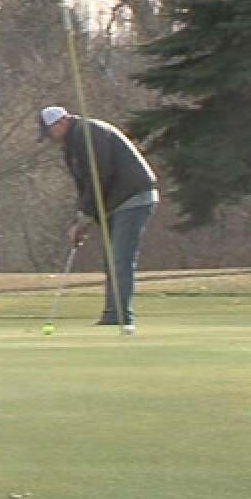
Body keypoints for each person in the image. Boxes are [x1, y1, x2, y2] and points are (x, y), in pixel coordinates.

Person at [37, 105, 159, 335]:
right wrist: (82, 219)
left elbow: (99, 176)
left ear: (61, 122)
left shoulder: (88, 133)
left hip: (132, 197)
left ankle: (120, 315)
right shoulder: (72, 144)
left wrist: (84, 219)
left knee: (120, 258)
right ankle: (113, 313)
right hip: (115, 202)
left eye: (49, 132)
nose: (50, 139)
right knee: (113, 259)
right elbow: (84, 186)